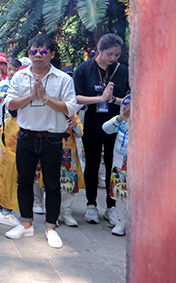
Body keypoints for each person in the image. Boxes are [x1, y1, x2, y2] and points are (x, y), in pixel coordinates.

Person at [4, 34, 78, 249]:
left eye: (43, 51)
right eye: (34, 51)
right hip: (26, 136)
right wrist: (32, 96)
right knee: (24, 182)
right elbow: (10, 104)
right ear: (29, 53)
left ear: (52, 54)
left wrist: (46, 98)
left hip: (53, 138)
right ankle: (26, 224)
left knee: (53, 185)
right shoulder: (19, 76)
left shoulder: (63, 79)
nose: (38, 55)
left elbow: (71, 108)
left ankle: (51, 227)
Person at [73, 33, 129, 226]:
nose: (113, 59)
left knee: (114, 166)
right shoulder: (84, 70)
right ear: (99, 49)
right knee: (92, 164)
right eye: (109, 54)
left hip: (117, 125)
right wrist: (100, 99)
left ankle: (111, 207)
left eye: (117, 55)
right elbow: (76, 98)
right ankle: (91, 205)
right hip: (92, 123)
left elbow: (133, 100)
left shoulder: (123, 71)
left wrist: (113, 99)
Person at [0, 57, 22, 227]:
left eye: (15, 69)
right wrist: (6, 94)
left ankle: (2, 207)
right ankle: (4, 209)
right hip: (7, 125)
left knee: (12, 172)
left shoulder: (24, 84)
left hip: (18, 128)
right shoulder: (5, 83)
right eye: (10, 69)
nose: (12, 73)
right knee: (8, 170)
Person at [102, 96, 130, 236]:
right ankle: (121, 221)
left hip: (135, 164)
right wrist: (121, 117)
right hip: (120, 164)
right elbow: (106, 128)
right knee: (120, 192)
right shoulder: (121, 122)